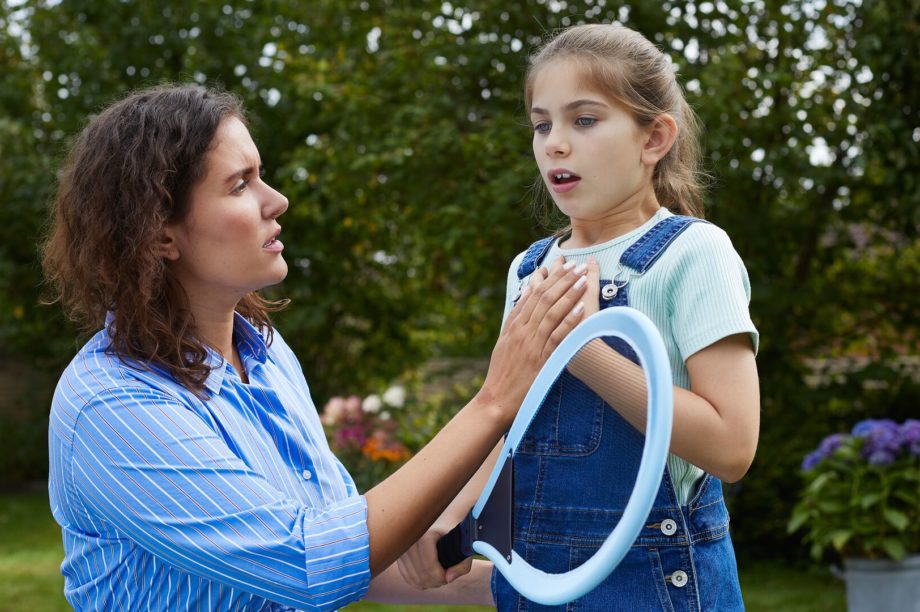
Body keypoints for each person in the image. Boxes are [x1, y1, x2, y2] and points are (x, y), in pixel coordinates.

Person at [41, 84, 592, 610]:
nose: (275, 200)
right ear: (160, 234)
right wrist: (494, 402)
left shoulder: (266, 354)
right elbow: (309, 563)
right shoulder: (112, 404)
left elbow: (347, 540)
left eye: (262, 177)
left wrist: (554, 587)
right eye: (239, 185)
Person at [396, 23, 761, 611]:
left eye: (583, 120)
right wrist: (456, 510)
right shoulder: (529, 269)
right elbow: (509, 416)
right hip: (532, 580)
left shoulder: (694, 254)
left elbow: (732, 446)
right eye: (542, 124)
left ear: (654, 138)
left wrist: (583, 350)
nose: (554, 144)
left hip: (653, 582)